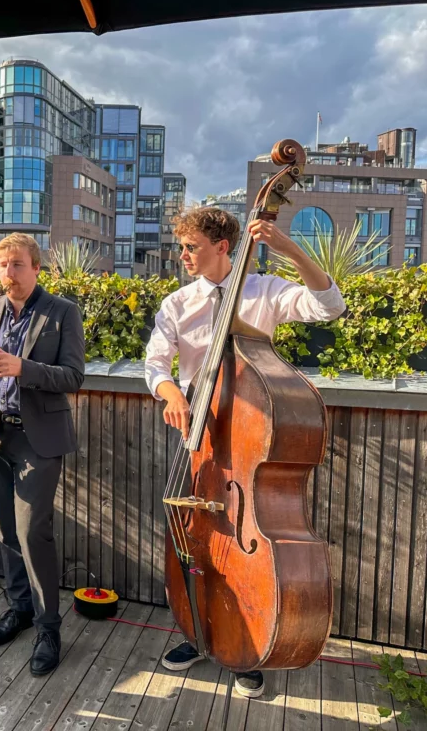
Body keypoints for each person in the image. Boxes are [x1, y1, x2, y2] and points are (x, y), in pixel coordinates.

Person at [143, 206, 347, 698]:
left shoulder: (264, 291)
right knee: (198, 541)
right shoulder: (177, 302)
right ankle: (198, 633)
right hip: (202, 438)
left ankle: (246, 643)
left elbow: (329, 307)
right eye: (182, 247)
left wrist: (290, 249)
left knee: (242, 537)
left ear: (222, 248)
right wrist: (170, 391)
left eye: (192, 247)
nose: (183, 256)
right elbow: (155, 360)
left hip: (254, 436)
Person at [0, 232, 85, 677]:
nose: (8, 273)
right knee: (5, 533)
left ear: (37, 268)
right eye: (3, 265)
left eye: (17, 265)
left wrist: (22, 368)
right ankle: (20, 609)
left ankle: (49, 627)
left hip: (38, 439)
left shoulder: (62, 312)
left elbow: (73, 376)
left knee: (33, 533)